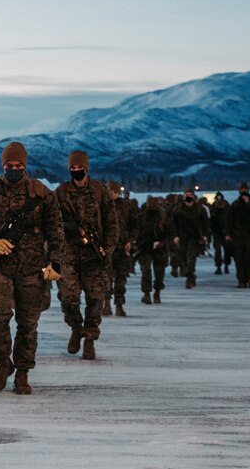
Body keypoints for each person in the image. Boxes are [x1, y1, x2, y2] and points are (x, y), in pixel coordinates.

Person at [0, 142, 66, 394]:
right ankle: (3, 363)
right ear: (3, 166)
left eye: (18, 165)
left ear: (25, 165)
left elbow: (56, 230)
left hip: (32, 269)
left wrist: (55, 262)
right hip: (0, 267)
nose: (13, 169)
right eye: (9, 165)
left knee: (28, 323)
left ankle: (22, 372)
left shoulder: (41, 193)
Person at [55, 150, 116, 360]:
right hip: (68, 254)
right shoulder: (61, 192)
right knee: (68, 297)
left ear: (86, 168)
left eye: (79, 168)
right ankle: (75, 328)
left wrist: (106, 250)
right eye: (72, 168)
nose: (76, 171)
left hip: (94, 256)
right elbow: (52, 221)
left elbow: (111, 223)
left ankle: (89, 338)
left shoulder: (100, 191)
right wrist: (67, 229)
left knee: (96, 298)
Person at [105, 180, 137, 317]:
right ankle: (106, 303)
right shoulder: (102, 205)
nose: (109, 194)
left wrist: (131, 241)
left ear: (117, 192)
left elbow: (135, 225)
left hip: (122, 247)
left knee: (120, 278)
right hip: (106, 248)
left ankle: (119, 304)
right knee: (105, 278)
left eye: (111, 191)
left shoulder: (127, 206)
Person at [226, 182, 250, 288]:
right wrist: (228, 233)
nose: (244, 191)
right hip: (238, 236)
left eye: (245, 189)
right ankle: (241, 280)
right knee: (239, 260)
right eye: (242, 189)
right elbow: (229, 220)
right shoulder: (235, 204)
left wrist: (249, 204)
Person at [171, 189, 210, 289]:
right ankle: (191, 275)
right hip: (182, 237)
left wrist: (205, 235)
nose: (188, 196)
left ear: (194, 196)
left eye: (190, 195)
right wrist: (175, 235)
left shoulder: (200, 209)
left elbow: (205, 223)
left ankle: (189, 278)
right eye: (187, 195)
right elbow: (173, 224)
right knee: (183, 258)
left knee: (191, 258)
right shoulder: (178, 209)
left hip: (194, 237)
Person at [136, 196, 170, 304]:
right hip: (145, 248)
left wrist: (163, 243)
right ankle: (147, 294)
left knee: (159, 272)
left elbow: (171, 232)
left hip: (160, 248)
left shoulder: (164, 217)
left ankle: (157, 292)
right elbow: (137, 231)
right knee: (146, 271)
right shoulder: (142, 217)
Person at [209, 192, 231, 274]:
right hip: (216, 232)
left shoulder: (227, 208)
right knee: (218, 250)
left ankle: (226, 265)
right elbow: (210, 220)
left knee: (226, 250)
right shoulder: (212, 208)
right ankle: (219, 266)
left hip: (226, 232)